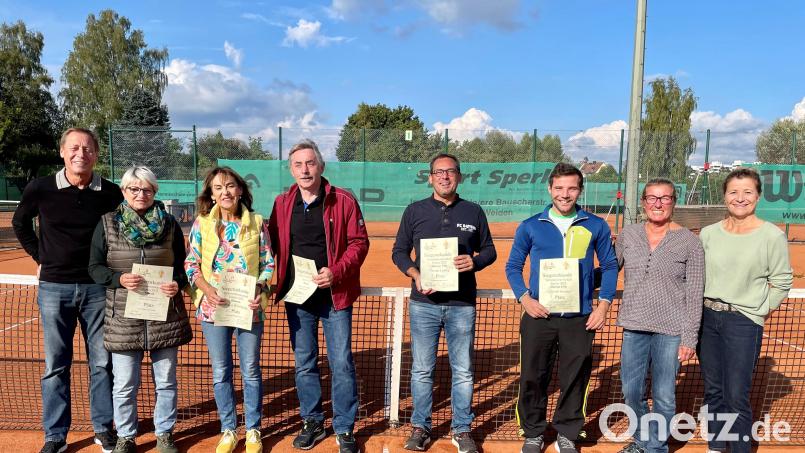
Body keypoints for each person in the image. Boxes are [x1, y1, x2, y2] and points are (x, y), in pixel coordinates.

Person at [12, 128, 123, 453]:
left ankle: (104, 429)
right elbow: (20, 223)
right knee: (55, 364)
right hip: (53, 288)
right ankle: (55, 436)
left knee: (102, 363)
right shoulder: (41, 188)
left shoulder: (111, 192)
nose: (81, 154)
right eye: (74, 148)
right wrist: (40, 256)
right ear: (62, 152)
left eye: (88, 148)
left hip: (97, 289)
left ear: (96, 154)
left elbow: (125, 229)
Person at [504, 162, 618, 453]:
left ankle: (567, 432)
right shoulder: (531, 225)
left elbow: (609, 266)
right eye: (559, 188)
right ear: (550, 189)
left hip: (579, 318)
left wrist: (603, 306)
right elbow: (513, 266)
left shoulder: (596, 225)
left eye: (571, 188)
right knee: (532, 375)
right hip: (538, 315)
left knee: (575, 377)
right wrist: (525, 299)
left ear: (580, 190)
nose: (565, 194)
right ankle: (533, 432)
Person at [268, 139, 369, 453]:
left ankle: (343, 427)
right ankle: (312, 421)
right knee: (305, 364)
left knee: (341, 363)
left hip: (334, 294)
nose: (305, 169)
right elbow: (271, 243)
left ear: (321, 166)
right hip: (299, 298)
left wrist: (335, 272)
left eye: (310, 163)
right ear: (291, 169)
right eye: (298, 164)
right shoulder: (283, 203)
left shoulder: (343, 200)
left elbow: (359, 243)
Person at [391, 153, 497, 453]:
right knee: (422, 369)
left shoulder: (473, 212)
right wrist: (415, 272)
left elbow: (490, 250)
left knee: (462, 369)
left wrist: (473, 262)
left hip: (462, 304)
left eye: (451, 172)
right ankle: (421, 426)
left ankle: (462, 429)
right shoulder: (414, 211)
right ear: (430, 177)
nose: (445, 177)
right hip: (423, 304)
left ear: (459, 176)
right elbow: (399, 251)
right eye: (439, 172)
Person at [88, 166, 193, 453]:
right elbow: (94, 267)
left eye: (146, 189)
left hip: (164, 317)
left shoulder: (170, 224)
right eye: (133, 188)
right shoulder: (107, 223)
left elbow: (182, 267)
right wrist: (118, 279)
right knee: (124, 384)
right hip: (123, 317)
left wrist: (177, 282)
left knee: (166, 382)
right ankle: (126, 435)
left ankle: (164, 434)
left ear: (154, 192)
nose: (140, 194)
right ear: (124, 191)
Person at [698, 168, 792, 453]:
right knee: (714, 391)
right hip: (707, 318)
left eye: (748, 192)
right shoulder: (708, 233)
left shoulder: (771, 236)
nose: (740, 198)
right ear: (724, 196)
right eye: (733, 192)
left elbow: (782, 281)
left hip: (743, 322)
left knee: (736, 394)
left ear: (758, 196)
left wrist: (760, 311)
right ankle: (717, 446)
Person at [184, 167, 275, 453]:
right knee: (221, 371)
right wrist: (206, 289)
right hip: (213, 308)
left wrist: (260, 289)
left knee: (250, 370)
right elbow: (191, 263)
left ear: (240, 190)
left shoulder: (257, 223)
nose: (226, 192)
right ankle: (228, 429)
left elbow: (268, 263)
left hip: (248, 308)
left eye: (231, 186)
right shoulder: (201, 224)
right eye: (219, 187)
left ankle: (253, 430)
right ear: (210, 194)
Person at [614, 178, 704, 453]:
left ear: (673, 202)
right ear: (643, 202)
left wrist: (689, 338)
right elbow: (609, 270)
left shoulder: (690, 242)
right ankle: (642, 441)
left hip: (671, 331)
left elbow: (695, 291)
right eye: (652, 198)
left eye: (664, 198)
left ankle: (655, 447)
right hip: (634, 325)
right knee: (631, 391)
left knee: (664, 395)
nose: (658, 203)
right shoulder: (628, 235)